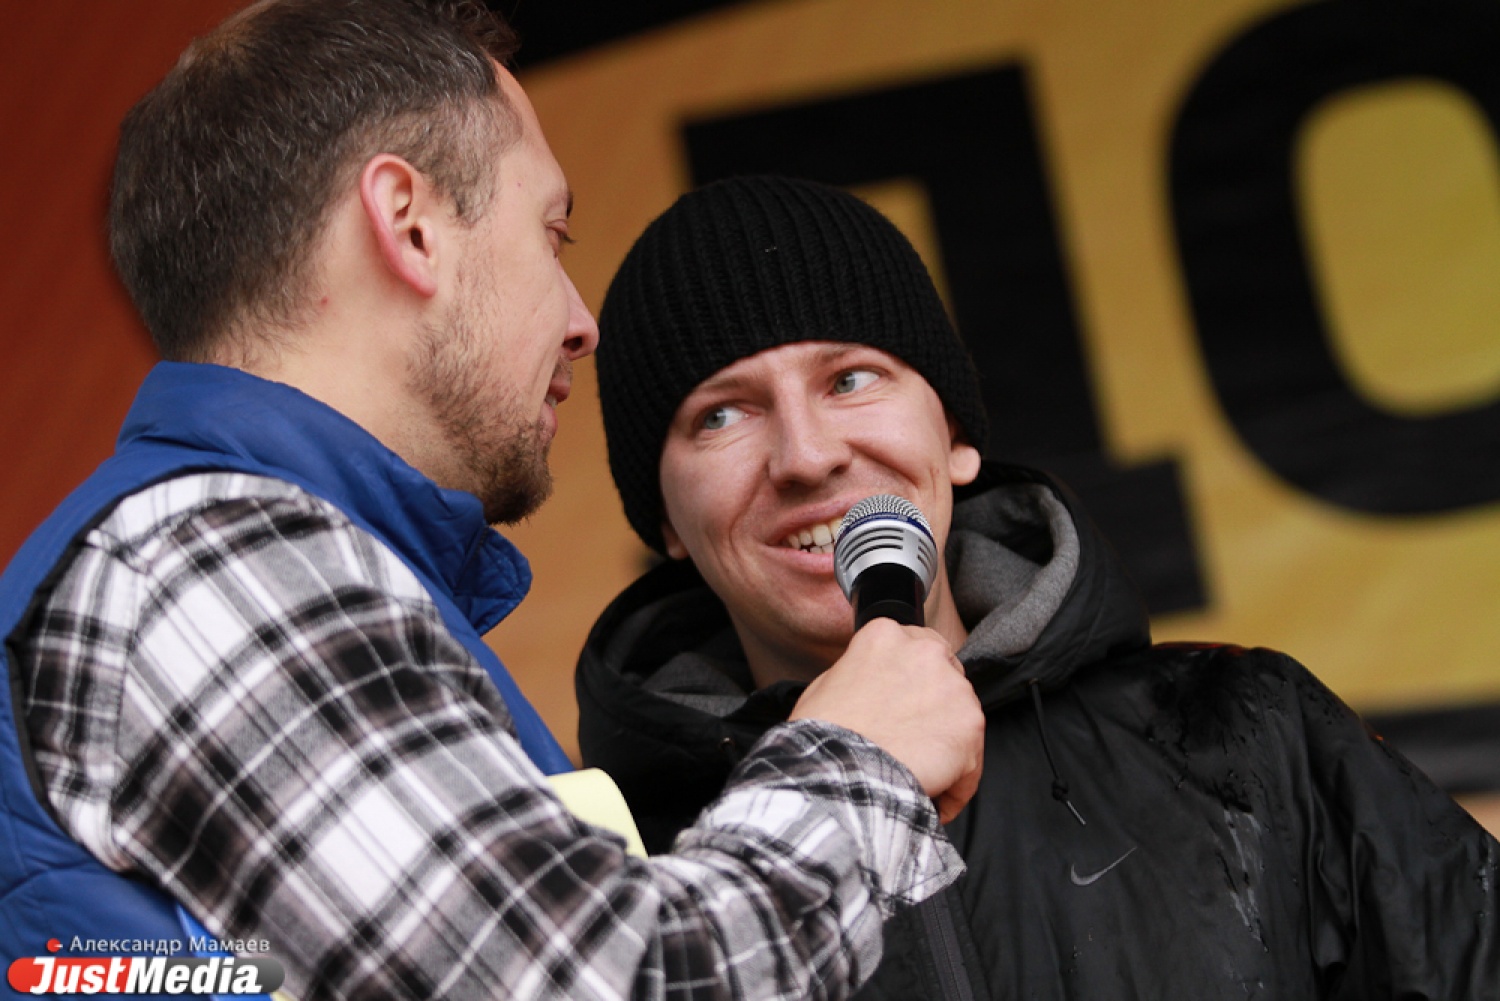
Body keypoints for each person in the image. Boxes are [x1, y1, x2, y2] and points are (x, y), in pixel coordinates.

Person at [0, 6, 985, 998]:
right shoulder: (209, 563)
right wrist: (861, 758)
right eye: (551, 234)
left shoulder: (231, 558)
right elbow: (615, 984)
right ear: (408, 224)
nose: (581, 322)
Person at [577, 173, 1500, 999]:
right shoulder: (611, 880)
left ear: (956, 436)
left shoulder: (1250, 733)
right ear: (666, 522)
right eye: (722, 415)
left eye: (850, 378)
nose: (808, 455)